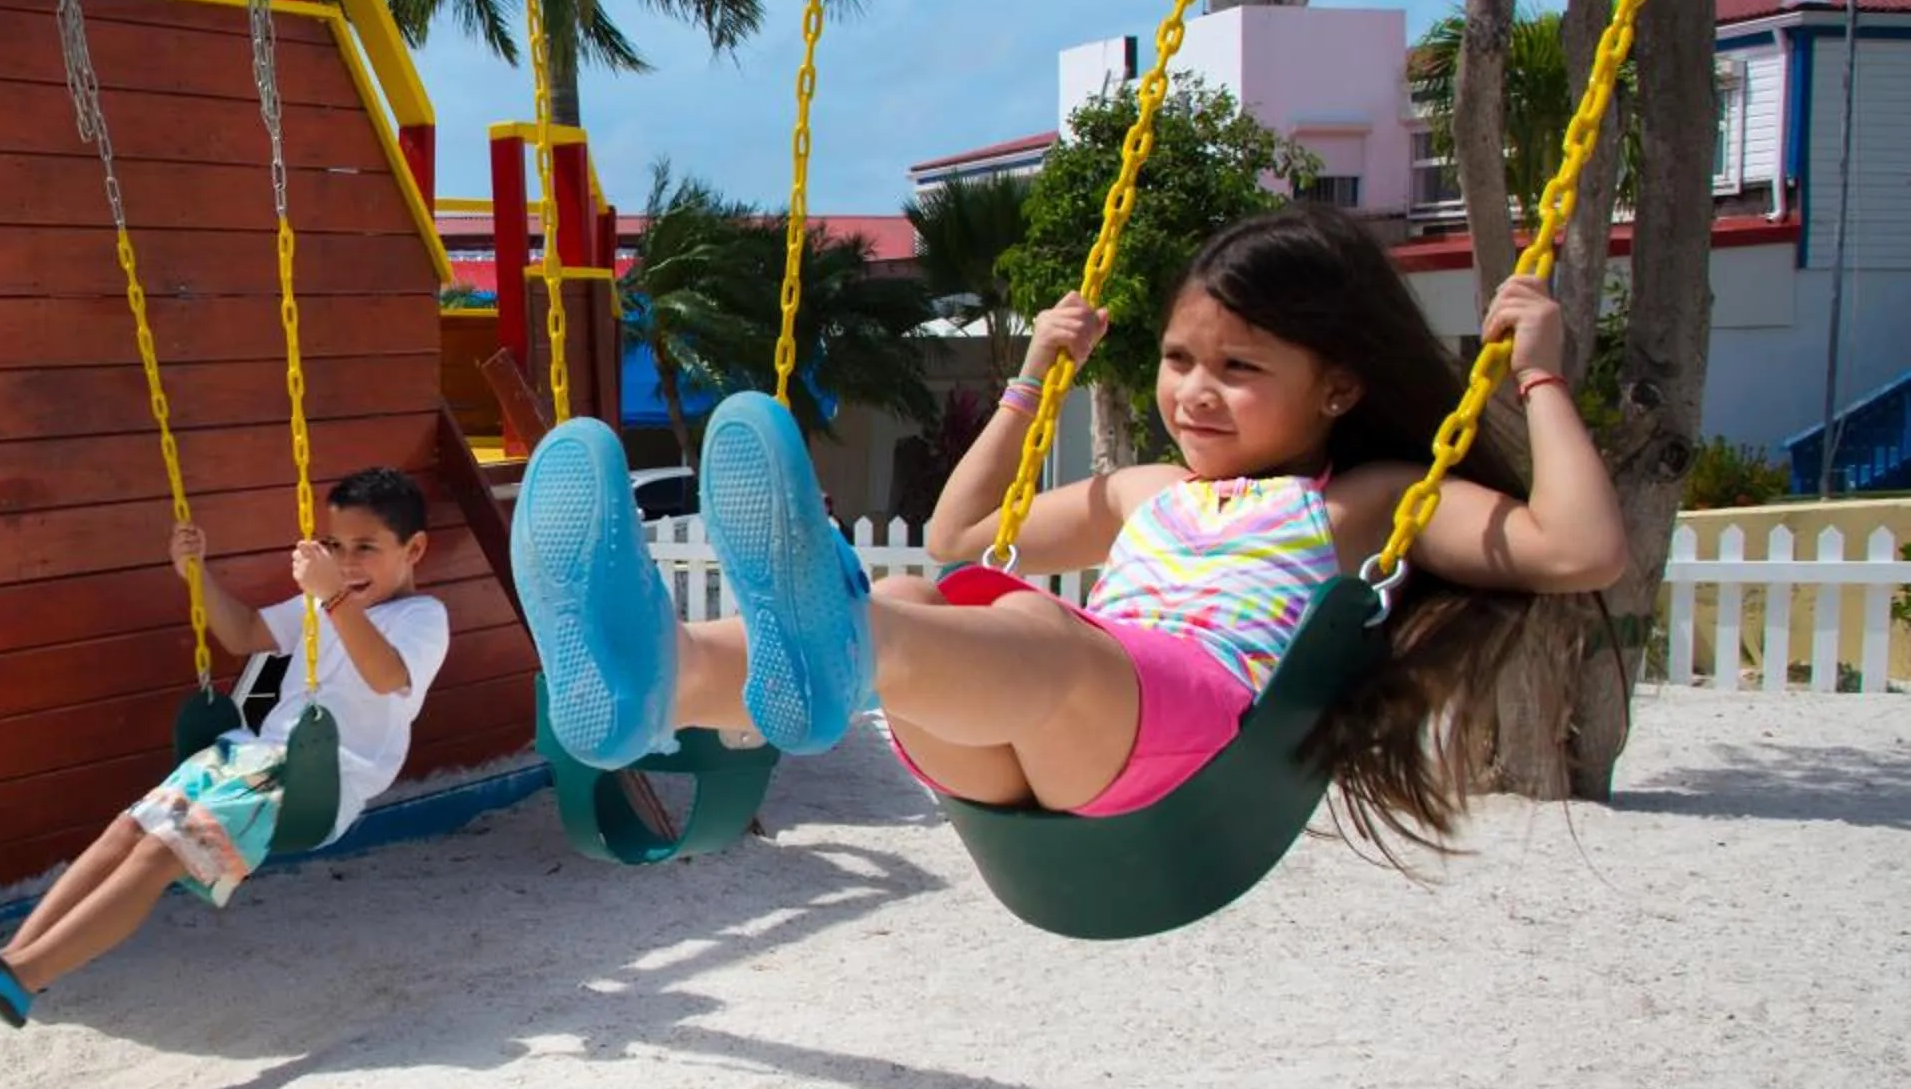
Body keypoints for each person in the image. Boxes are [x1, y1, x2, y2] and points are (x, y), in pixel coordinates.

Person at [513, 204, 1630, 858]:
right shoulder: (1146, 490)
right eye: (1180, 359)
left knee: (1028, 639)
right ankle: (656, 678)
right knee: (910, 600)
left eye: (1240, 369)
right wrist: (1034, 379)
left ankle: (826, 646)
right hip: (1026, 758)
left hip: (1190, 751)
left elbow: (1577, 549)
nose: (1196, 391)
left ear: (1340, 387)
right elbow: (962, 533)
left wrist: (1537, 377)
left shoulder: (1365, 500)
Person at [0, 467, 452, 1026]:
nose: (346, 562)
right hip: (250, 757)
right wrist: (195, 574)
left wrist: (335, 597)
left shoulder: (421, 618)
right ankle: (8, 959)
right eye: (334, 545)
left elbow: (385, 674)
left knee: (163, 851)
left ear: (413, 548)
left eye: (365, 547)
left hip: (316, 781)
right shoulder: (322, 605)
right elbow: (243, 632)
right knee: (130, 828)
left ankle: (24, 979)